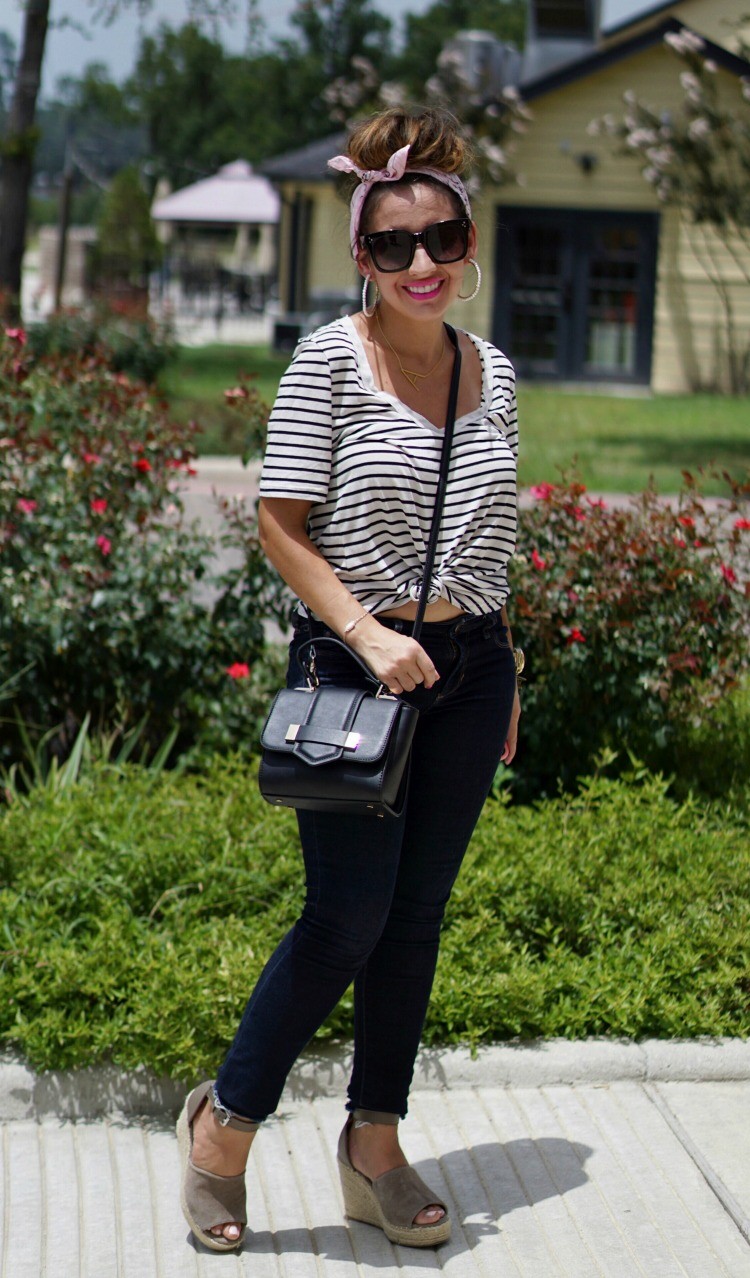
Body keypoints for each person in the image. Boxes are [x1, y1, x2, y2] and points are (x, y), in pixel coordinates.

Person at [177, 105, 522, 1254]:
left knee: (416, 918)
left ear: (468, 245)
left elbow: (495, 537)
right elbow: (280, 526)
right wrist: (369, 635)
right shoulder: (330, 359)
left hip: (471, 666)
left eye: (441, 240)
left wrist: (506, 666)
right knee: (346, 917)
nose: (420, 264)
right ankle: (225, 1130)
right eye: (392, 245)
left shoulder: (497, 374)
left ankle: (373, 1148)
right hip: (351, 668)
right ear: (361, 255)